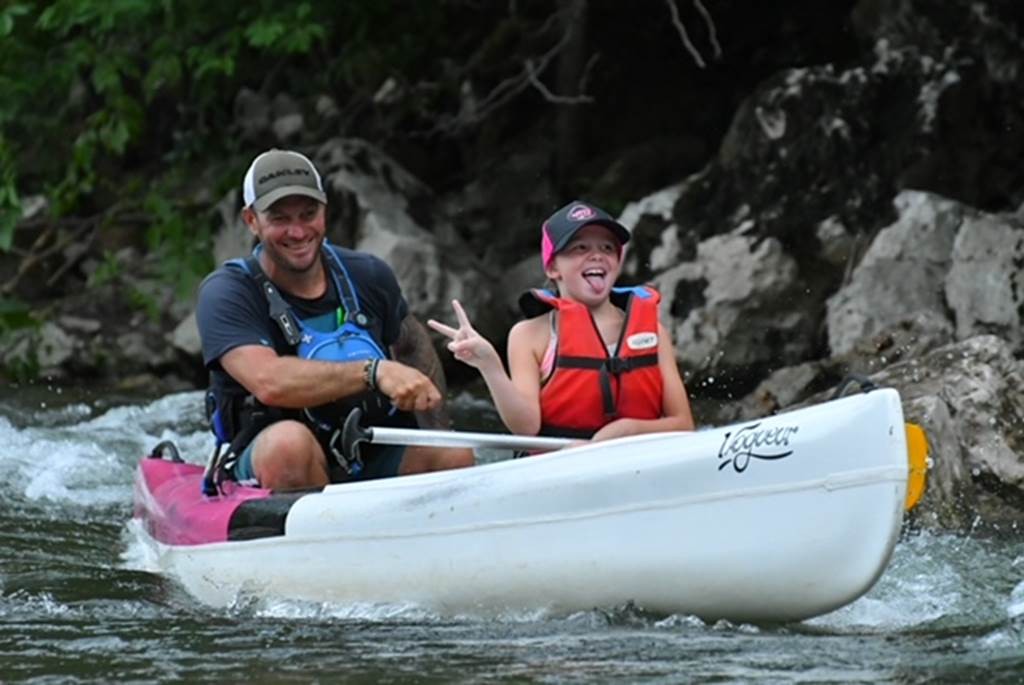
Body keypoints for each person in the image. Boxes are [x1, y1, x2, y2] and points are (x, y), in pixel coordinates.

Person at [196, 148, 473, 490]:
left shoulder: (368, 274)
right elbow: (268, 381)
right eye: (280, 218)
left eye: (308, 214)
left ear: (324, 211)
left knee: (452, 453)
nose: (297, 232)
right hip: (273, 459)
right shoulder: (227, 292)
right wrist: (374, 371)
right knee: (289, 445)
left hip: (369, 450)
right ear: (251, 220)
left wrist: (436, 424)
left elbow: (413, 343)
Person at [428, 200, 694, 442]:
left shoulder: (654, 333)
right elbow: (526, 427)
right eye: (580, 247)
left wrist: (627, 430)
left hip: (639, 463)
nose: (597, 255)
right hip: (563, 469)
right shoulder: (529, 335)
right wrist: (490, 366)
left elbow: (683, 424)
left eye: (607, 248)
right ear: (553, 268)